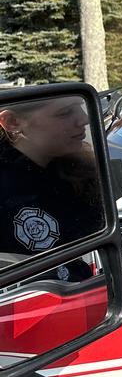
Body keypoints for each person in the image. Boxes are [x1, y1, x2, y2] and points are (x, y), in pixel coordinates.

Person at [0, 97, 102, 281]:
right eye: (64, 113)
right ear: (12, 122)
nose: (84, 119)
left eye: (79, 107)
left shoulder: (73, 169)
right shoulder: (8, 192)